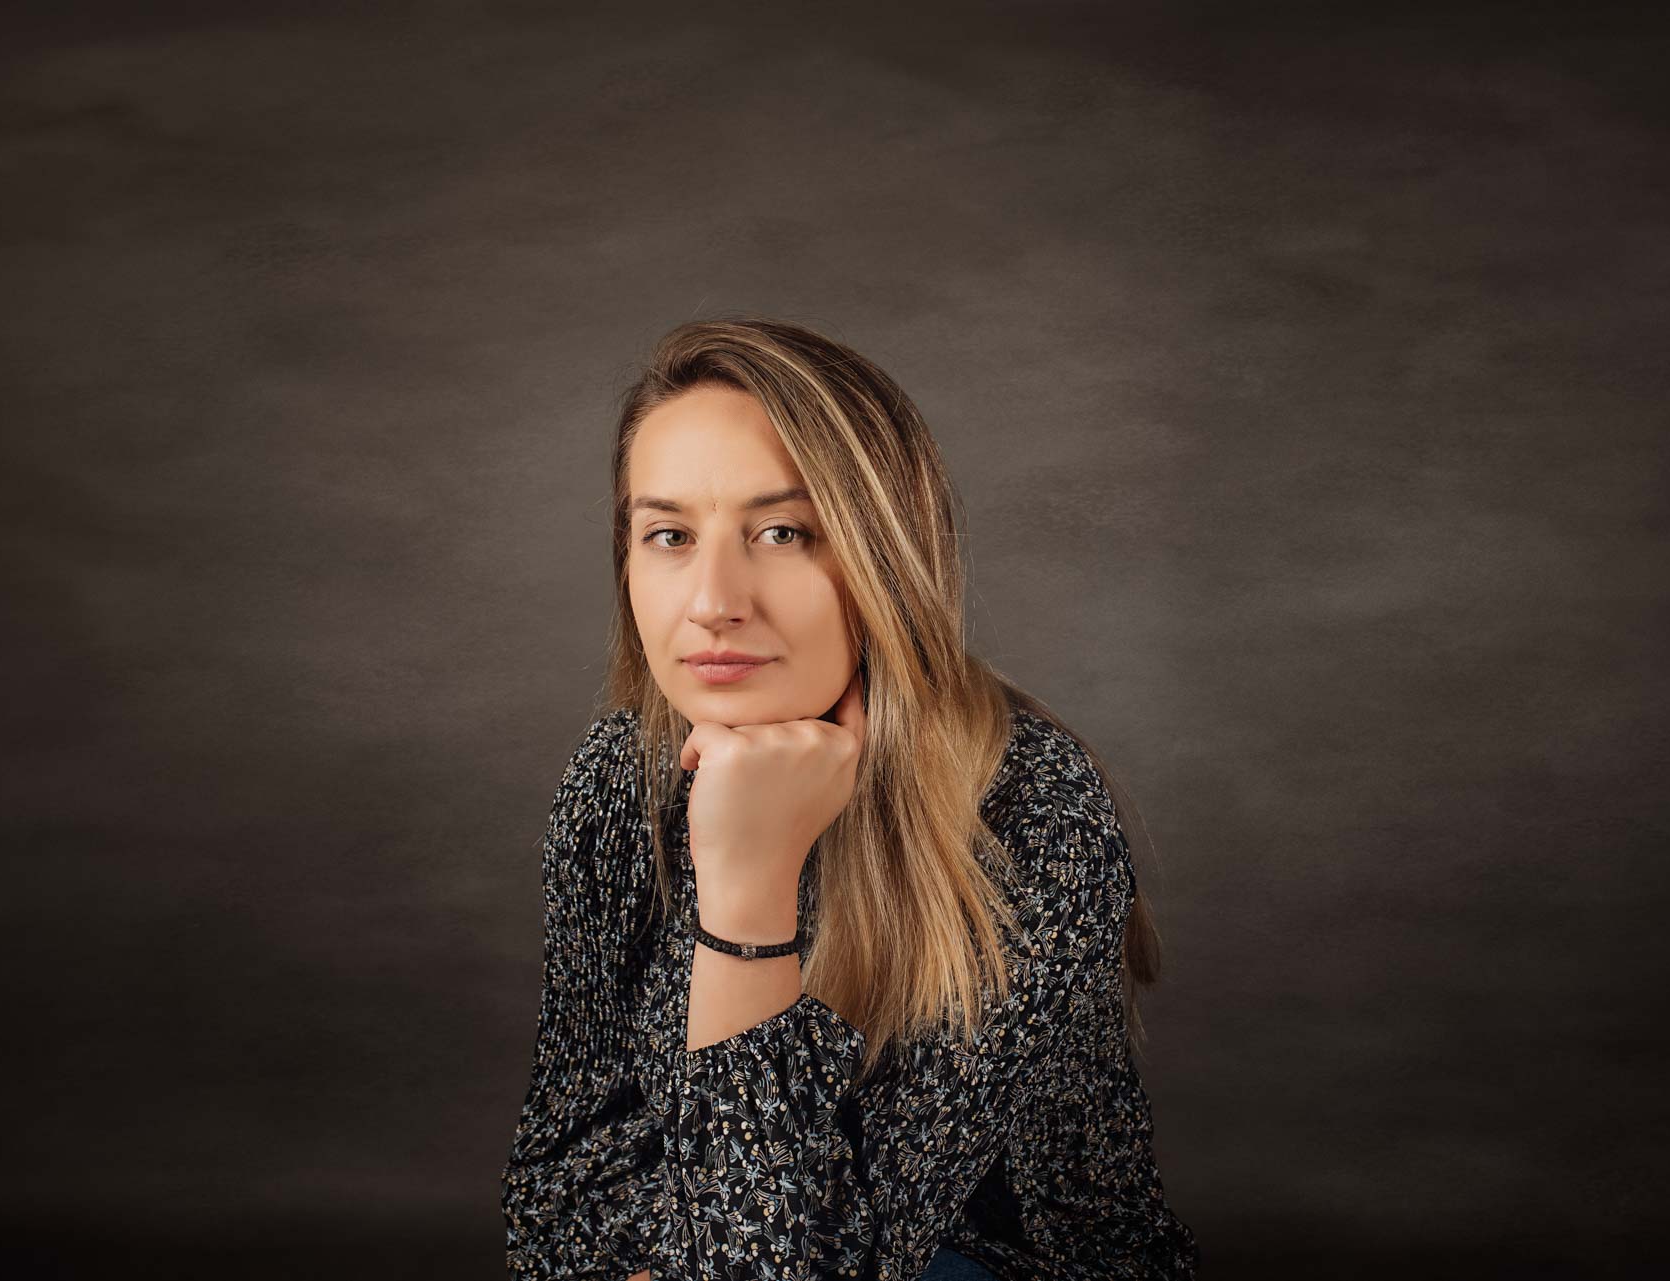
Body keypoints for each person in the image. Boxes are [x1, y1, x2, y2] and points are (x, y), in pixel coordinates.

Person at [501, 316, 1200, 1279]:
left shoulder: (1032, 810)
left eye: (783, 532)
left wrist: (748, 887)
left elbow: (810, 1265)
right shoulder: (621, 777)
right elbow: (557, 1192)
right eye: (668, 534)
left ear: (884, 557)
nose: (713, 599)